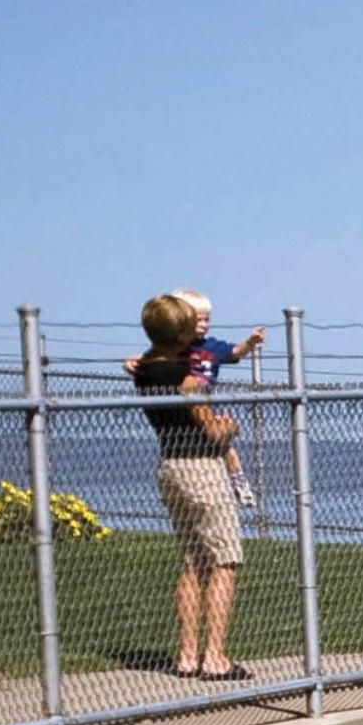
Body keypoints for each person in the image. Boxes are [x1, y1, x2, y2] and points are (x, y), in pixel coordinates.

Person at [134, 291, 249, 680]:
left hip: (169, 465)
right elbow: (213, 430)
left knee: (191, 561)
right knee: (225, 560)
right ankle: (215, 656)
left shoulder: (146, 369)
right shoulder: (188, 378)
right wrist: (231, 424)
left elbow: (142, 363)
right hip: (201, 467)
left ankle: (187, 655)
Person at [122, 292, 265, 509]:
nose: (203, 324)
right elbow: (152, 360)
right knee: (219, 441)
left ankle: (238, 481)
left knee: (226, 448)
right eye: (198, 319)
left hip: (202, 401)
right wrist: (132, 362)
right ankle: (232, 481)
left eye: (207, 319)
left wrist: (250, 342)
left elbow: (235, 352)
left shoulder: (212, 347)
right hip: (182, 406)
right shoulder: (177, 350)